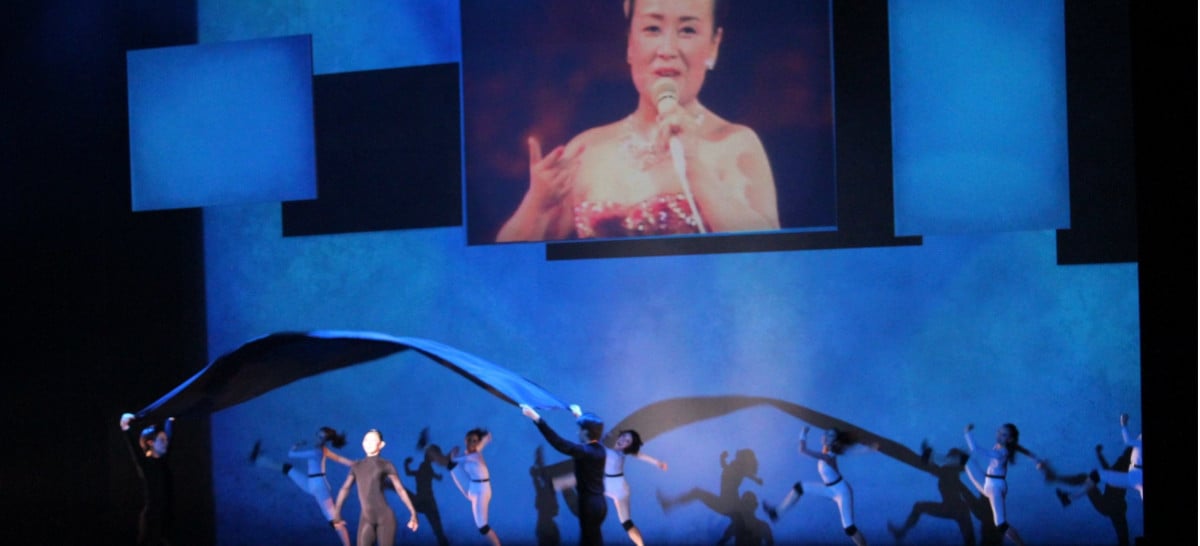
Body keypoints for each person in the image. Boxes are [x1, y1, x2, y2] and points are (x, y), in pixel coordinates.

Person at [496, 0, 779, 242]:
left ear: (714, 45)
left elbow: (771, 258)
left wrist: (695, 168)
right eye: (652, 29)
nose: (667, 49)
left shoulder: (735, 144)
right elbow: (502, 267)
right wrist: (535, 204)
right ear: (630, 44)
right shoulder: (587, 150)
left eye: (688, 30)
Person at [761, 426, 876, 546]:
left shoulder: (828, 456)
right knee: (800, 487)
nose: (825, 436)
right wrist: (866, 448)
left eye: (829, 436)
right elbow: (848, 449)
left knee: (849, 528)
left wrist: (803, 434)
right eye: (826, 434)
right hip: (829, 488)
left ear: (833, 441)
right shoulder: (827, 449)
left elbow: (803, 450)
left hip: (841, 492)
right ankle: (776, 513)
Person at [249, 426, 354, 546]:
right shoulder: (323, 450)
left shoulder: (315, 452)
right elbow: (339, 459)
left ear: (325, 441)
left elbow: (291, 454)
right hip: (311, 483)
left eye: (321, 438)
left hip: (320, 488)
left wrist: (296, 445)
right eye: (318, 435)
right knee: (288, 469)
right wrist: (354, 463)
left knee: (334, 520)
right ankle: (259, 460)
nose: (317, 438)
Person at [521, 404, 608, 546]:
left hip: (589, 507)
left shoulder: (584, 451)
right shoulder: (599, 450)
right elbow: (589, 432)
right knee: (594, 540)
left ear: (586, 432)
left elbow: (558, 442)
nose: (577, 432)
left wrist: (536, 418)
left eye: (580, 429)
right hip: (600, 505)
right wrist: (579, 415)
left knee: (589, 541)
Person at [962, 423, 1047, 546]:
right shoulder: (1003, 446)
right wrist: (1037, 461)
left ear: (1009, 439)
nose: (999, 436)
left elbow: (976, 450)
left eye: (1003, 435)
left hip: (995, 487)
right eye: (999, 432)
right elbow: (1024, 451)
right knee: (966, 461)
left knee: (1001, 524)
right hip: (988, 482)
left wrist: (967, 433)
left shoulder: (1001, 452)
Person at [333, 429, 419, 545]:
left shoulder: (386, 464)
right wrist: (337, 512)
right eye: (366, 440)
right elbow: (345, 488)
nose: (368, 443)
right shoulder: (357, 466)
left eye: (372, 440)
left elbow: (400, 489)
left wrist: (413, 513)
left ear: (381, 444)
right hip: (366, 518)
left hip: (385, 519)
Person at [1055, 412, 1143, 506]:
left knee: (1097, 475)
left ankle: (1069, 498)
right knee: (1097, 475)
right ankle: (1069, 498)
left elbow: (1128, 441)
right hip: (1134, 475)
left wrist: (1123, 424)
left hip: (1136, 475)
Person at [120, 412, 175, 546]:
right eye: (162, 440)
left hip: (165, 520)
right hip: (151, 521)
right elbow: (134, 449)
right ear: (151, 443)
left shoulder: (163, 461)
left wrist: (170, 418)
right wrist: (125, 426)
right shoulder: (146, 464)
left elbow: (169, 431)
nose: (166, 443)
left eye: (166, 440)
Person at [446, 428, 503, 545]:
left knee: (483, 527)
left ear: (477, 442)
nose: (471, 443)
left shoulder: (474, 456)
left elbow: (453, 459)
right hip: (471, 486)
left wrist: (453, 452)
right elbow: (479, 446)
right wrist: (485, 439)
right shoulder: (472, 452)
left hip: (481, 491)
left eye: (474, 441)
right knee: (451, 466)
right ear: (465, 440)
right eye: (469, 440)